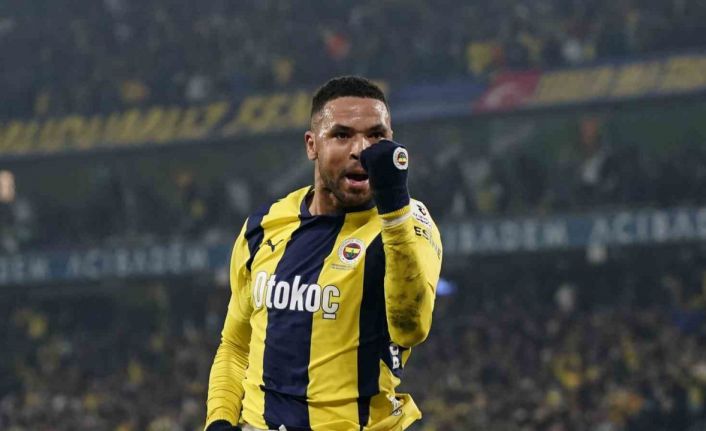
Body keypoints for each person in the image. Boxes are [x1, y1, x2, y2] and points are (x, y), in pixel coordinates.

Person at [205, 76, 443, 431]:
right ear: (312, 145)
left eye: (376, 136)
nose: (361, 149)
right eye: (342, 135)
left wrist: (394, 209)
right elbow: (236, 346)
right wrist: (219, 420)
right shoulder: (263, 227)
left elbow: (411, 329)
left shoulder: (406, 224)